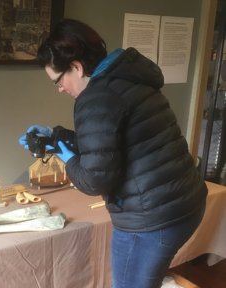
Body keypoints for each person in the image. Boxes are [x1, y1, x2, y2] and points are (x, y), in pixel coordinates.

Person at [18, 19, 208, 288]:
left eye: (58, 81)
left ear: (76, 67)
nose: (60, 89)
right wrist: (57, 135)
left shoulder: (95, 98)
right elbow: (109, 143)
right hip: (185, 202)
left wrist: (66, 158)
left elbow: (95, 180)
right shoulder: (128, 77)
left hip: (151, 220)